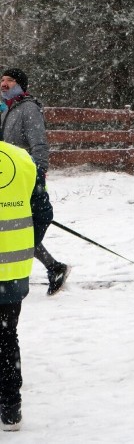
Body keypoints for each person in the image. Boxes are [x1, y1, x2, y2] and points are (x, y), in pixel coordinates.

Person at [0, 68, 70, 296]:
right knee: (15, 229)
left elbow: (39, 144)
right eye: (2, 80)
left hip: (25, 179)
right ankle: (54, 267)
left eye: (9, 80)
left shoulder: (28, 109)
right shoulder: (8, 110)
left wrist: (37, 175)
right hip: (8, 178)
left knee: (20, 229)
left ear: (20, 85)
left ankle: (51, 268)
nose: (4, 83)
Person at [0, 140, 38, 431]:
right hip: (12, 270)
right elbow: (44, 211)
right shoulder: (21, 159)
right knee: (6, 336)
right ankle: (11, 408)